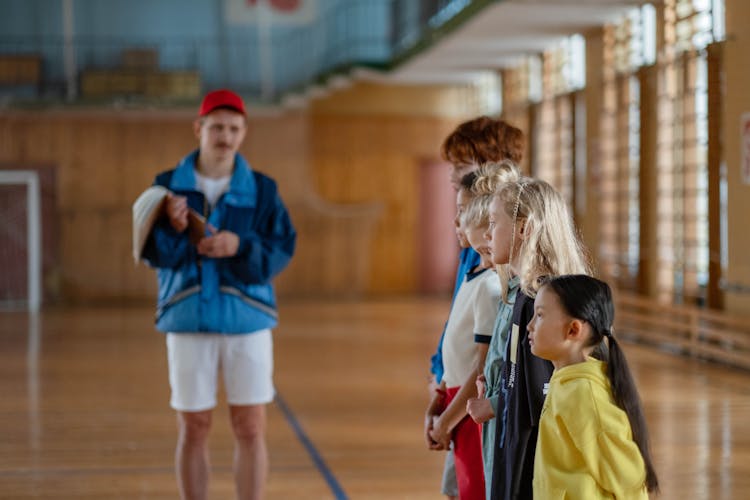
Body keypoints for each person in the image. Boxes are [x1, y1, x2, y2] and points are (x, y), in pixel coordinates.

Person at [140, 89, 296, 500]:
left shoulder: (263, 190)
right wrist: (174, 230)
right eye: (216, 127)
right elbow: (155, 256)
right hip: (188, 320)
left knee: (250, 426)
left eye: (233, 128)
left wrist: (238, 246)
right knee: (193, 427)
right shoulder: (165, 188)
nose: (224, 136)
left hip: (248, 323)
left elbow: (280, 250)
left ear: (243, 133)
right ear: (199, 128)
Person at [429, 116, 525, 499]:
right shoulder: (474, 257)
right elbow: (456, 320)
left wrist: (451, 416)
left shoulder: (499, 267)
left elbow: (489, 359)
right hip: (456, 393)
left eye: (462, 166)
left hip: (478, 403)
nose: (452, 176)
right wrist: (438, 382)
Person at [486, 178, 591, 499]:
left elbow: (542, 396)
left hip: (535, 459)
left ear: (523, 228)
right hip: (515, 443)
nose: (488, 234)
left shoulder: (542, 302)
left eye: (493, 223)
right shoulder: (524, 295)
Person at [528, 275, 659, 498]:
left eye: (540, 315)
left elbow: (629, 478)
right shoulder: (567, 382)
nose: (530, 325)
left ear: (573, 330)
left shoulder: (584, 395)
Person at [425, 179, 499, 499]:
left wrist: (447, 420)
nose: (456, 221)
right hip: (457, 400)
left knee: (474, 490)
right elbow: (456, 348)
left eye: (464, 212)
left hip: (470, 406)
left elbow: (481, 366)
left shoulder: (491, 288)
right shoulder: (472, 278)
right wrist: (440, 399)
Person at [463, 161, 521, 499]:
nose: (486, 255)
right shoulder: (504, 290)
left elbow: (536, 382)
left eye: (492, 229)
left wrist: (496, 401)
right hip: (498, 425)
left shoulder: (525, 296)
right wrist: (491, 379)